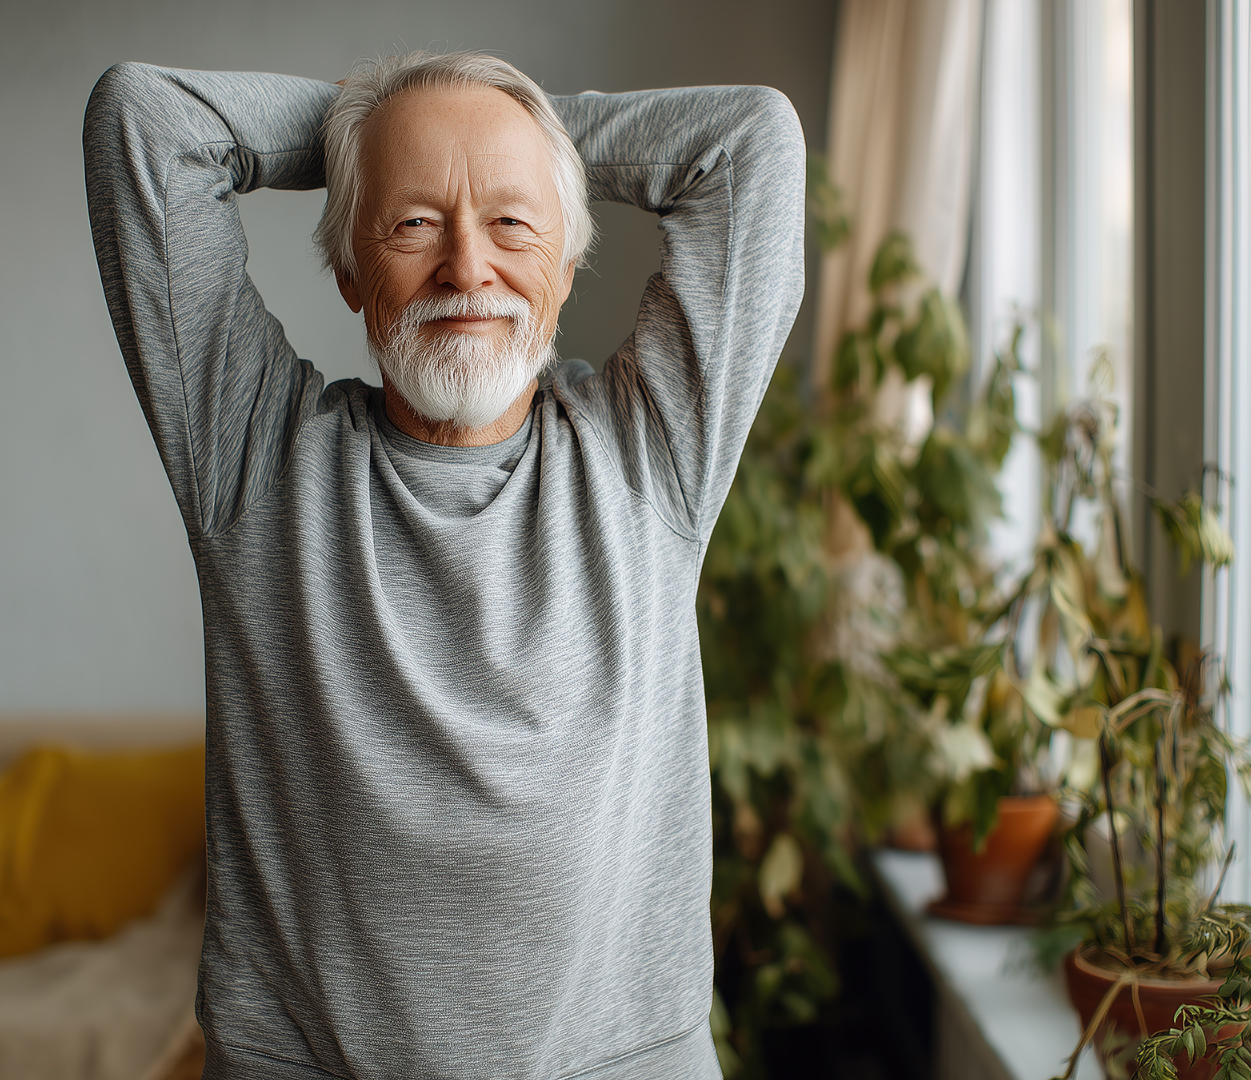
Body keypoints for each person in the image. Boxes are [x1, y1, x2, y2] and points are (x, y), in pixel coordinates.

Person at [83, 50, 803, 1080]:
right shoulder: (254, 458)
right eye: (413, 224)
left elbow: (751, 144)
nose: (468, 267)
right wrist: (372, 130)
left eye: (514, 223)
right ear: (349, 273)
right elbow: (142, 121)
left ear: (563, 268)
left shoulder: (652, 454)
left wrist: (508, 127)